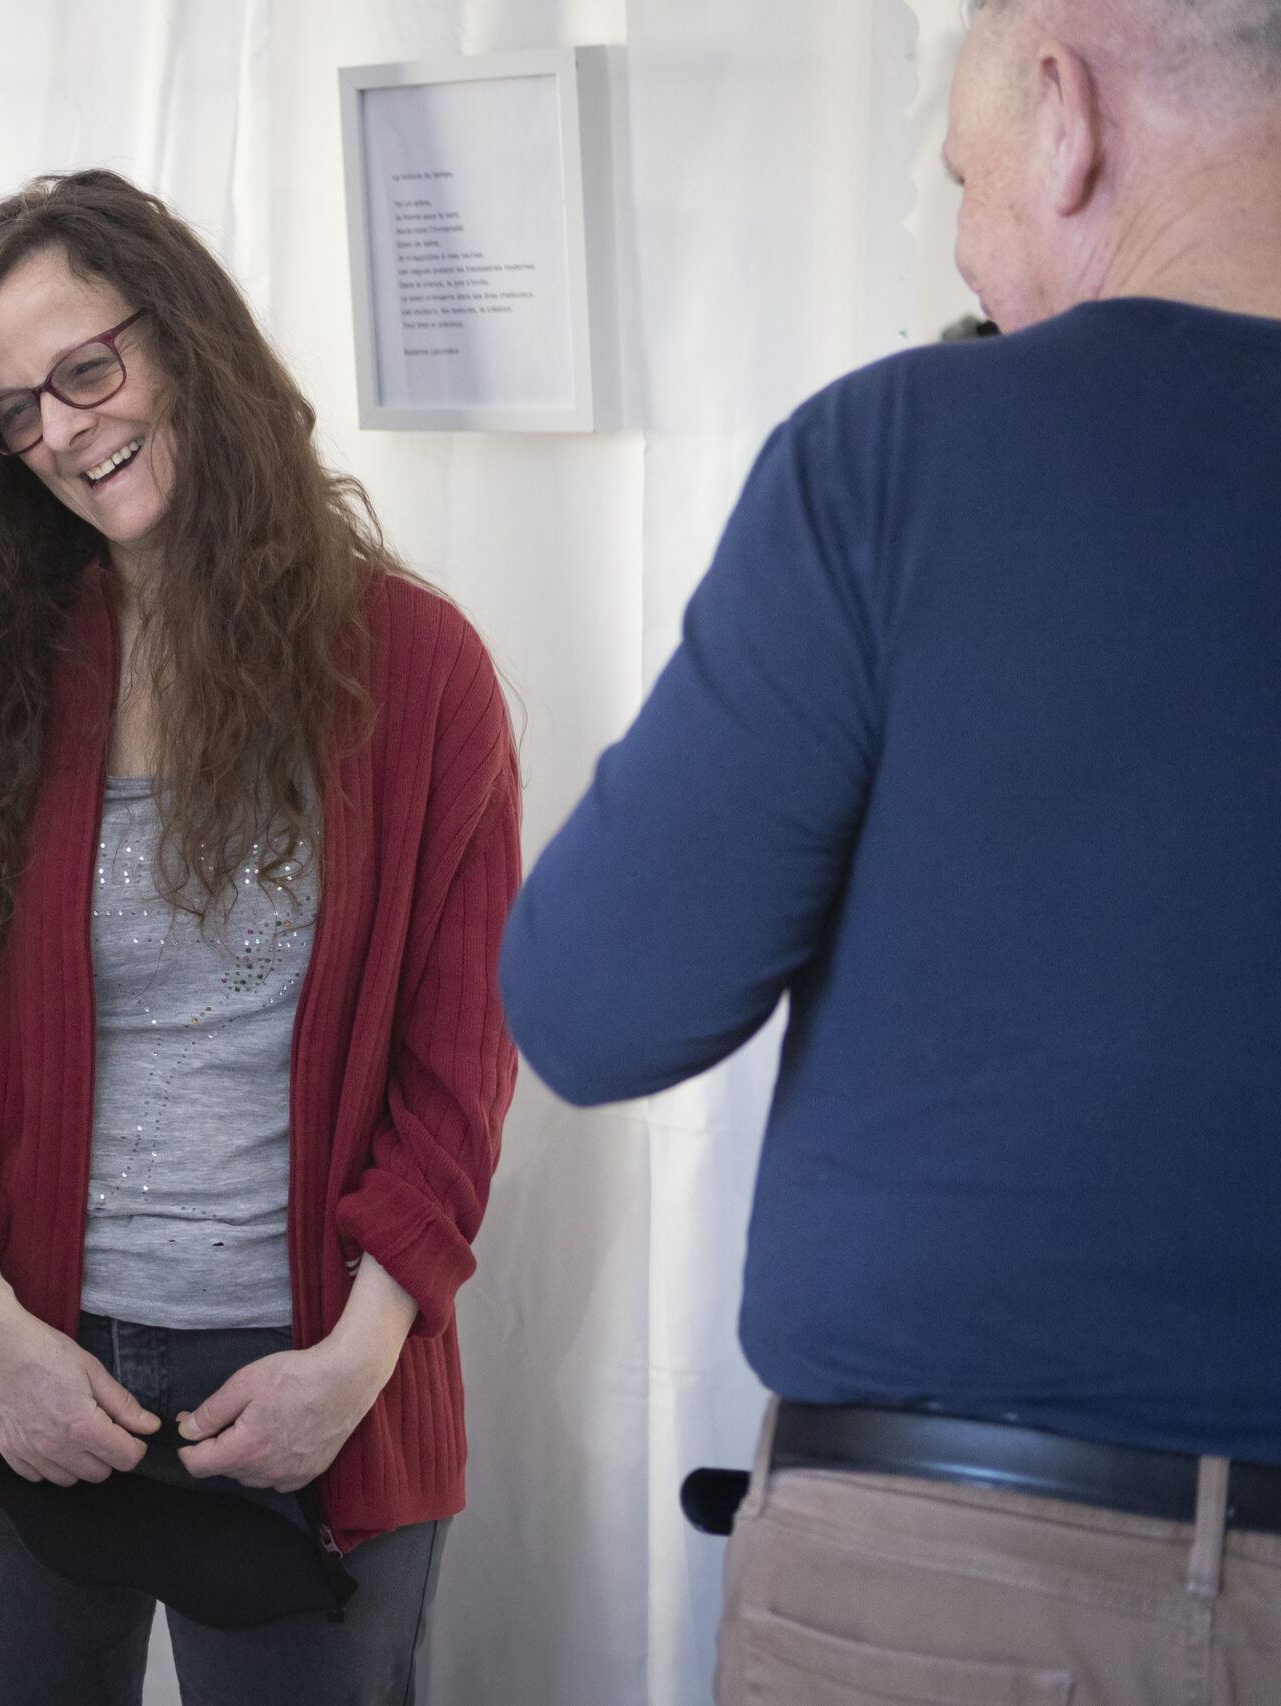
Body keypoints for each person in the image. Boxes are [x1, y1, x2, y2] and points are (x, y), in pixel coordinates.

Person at [499, 1, 1281, 1699]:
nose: (969, 252)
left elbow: (596, 1002)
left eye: (964, 180)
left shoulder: (899, 457)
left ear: (1067, 116)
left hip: (952, 1591)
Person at [0, 169, 521, 1706]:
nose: (66, 430)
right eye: (17, 410)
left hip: (313, 1380)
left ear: (187, 339)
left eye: (89, 368)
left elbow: (458, 1069)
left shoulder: (417, 669)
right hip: (11, 1373)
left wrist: (356, 1362)